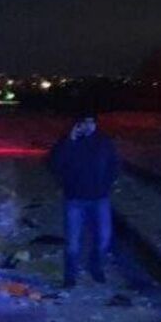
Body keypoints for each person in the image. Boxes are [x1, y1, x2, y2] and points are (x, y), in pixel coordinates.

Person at [48, 115, 118, 286]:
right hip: (75, 199)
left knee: (103, 238)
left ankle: (95, 267)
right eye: (84, 122)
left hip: (99, 198)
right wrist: (70, 141)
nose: (88, 126)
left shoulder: (104, 142)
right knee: (72, 242)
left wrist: (107, 184)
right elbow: (55, 164)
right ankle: (70, 275)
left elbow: (115, 164)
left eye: (91, 122)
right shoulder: (68, 142)